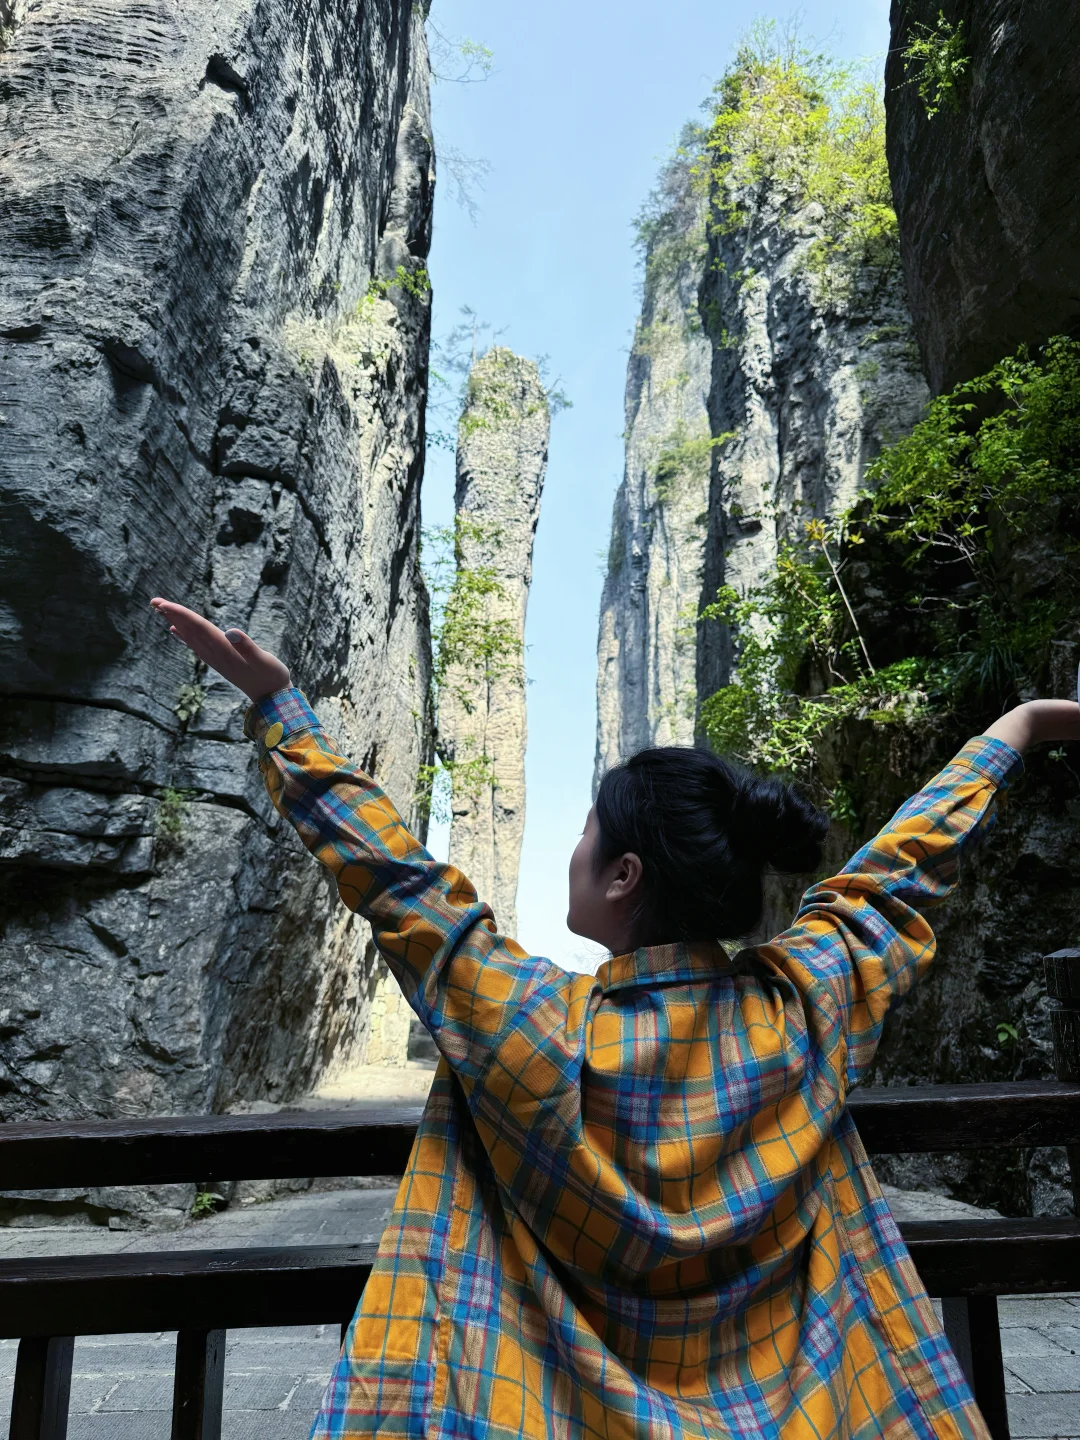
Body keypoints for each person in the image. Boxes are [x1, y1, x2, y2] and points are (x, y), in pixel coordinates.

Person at [152, 596, 1080, 1440]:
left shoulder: (524, 1023)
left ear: (625, 876)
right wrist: (1020, 728)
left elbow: (398, 882)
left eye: (590, 830)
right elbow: (898, 873)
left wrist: (283, 713)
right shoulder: (802, 1008)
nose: (575, 845)